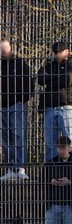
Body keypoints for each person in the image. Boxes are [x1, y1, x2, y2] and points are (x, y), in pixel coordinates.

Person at [38, 41, 72, 160]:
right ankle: (50, 170)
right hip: (50, 106)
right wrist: (59, 78)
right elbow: (41, 78)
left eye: (60, 52)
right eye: (55, 52)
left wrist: (51, 80)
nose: (57, 54)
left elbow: (68, 79)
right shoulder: (49, 65)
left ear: (67, 51)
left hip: (66, 106)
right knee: (50, 144)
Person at [0, 39, 33, 181]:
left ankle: (20, 167)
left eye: (5, 48)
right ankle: (10, 168)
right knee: (5, 139)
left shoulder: (20, 63)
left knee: (19, 135)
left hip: (16, 104)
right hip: (2, 105)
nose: (3, 52)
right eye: (1, 49)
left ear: (11, 48)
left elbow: (29, 81)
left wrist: (24, 98)